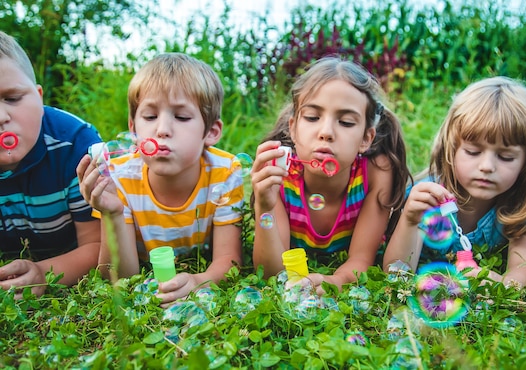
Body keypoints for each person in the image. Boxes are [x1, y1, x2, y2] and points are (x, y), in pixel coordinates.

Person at [77, 53, 244, 304]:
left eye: (182, 117)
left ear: (211, 132)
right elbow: (118, 276)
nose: (162, 129)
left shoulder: (224, 171)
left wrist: (199, 281)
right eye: (150, 117)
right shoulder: (118, 177)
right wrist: (112, 213)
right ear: (133, 129)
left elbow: (228, 262)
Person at [251, 57, 411, 295]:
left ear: (366, 138)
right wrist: (264, 204)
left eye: (346, 122)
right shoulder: (281, 173)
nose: (326, 132)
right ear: (293, 128)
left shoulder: (376, 172)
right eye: (312, 118)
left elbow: (360, 261)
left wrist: (333, 281)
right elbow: (271, 273)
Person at [383, 77, 526, 288]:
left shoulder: (521, 205)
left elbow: (522, 272)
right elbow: (397, 271)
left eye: (506, 157)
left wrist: (495, 282)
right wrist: (410, 220)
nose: (487, 166)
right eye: (473, 152)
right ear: (451, 149)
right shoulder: (428, 199)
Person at [0, 31, 102, 298]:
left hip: (70, 247)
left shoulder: (76, 146)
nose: (1, 117)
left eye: (12, 98)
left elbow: (97, 244)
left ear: (39, 97)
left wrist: (43, 273)